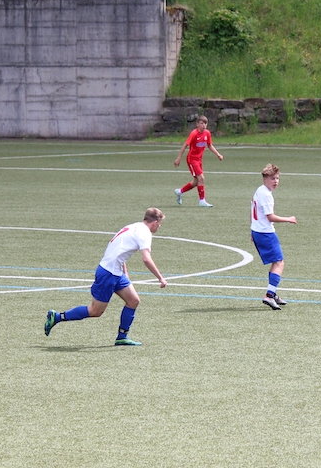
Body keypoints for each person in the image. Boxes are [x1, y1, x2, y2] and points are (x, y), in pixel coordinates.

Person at [44, 208, 167, 346]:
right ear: (155, 223)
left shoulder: (133, 227)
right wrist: (160, 278)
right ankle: (57, 317)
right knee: (95, 311)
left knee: (133, 301)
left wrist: (125, 273)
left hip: (116, 272)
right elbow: (146, 259)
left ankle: (122, 337)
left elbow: (119, 250)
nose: (159, 227)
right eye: (159, 224)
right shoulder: (145, 233)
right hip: (108, 273)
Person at [251, 163, 297, 309]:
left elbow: (254, 210)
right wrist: (288, 219)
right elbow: (270, 217)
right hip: (265, 233)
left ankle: (273, 292)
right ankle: (269, 295)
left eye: (277, 178)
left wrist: (252, 230)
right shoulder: (266, 195)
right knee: (279, 263)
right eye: (272, 178)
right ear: (265, 179)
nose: (275, 181)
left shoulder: (260, 190)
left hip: (258, 231)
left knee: (275, 262)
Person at [174, 117, 223, 207]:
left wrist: (218, 154)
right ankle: (202, 201)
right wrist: (178, 158)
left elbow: (209, 145)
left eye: (205, 123)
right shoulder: (194, 134)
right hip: (192, 160)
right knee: (201, 178)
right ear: (197, 124)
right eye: (202, 123)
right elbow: (185, 145)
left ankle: (180, 191)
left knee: (196, 181)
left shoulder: (207, 133)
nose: (204, 125)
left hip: (199, 160)